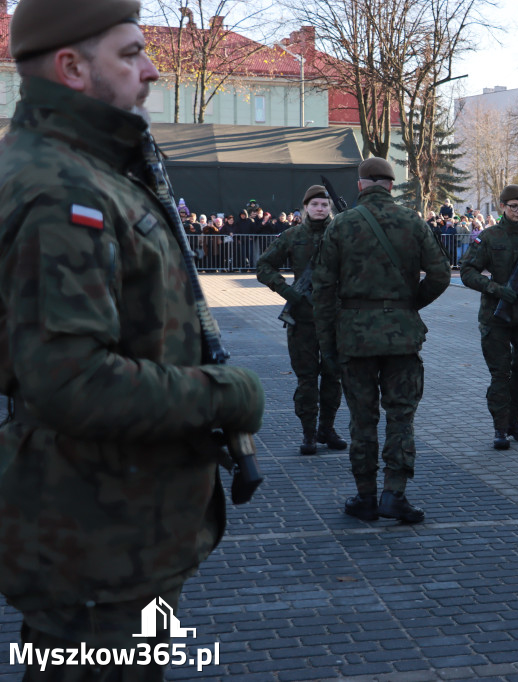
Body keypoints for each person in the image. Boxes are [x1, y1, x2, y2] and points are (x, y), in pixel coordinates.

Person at [0, 0, 265, 677]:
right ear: (72, 67)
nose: (150, 70)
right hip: (96, 547)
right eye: (130, 53)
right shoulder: (63, 190)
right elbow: (72, 379)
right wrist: (220, 394)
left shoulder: (87, 170)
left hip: (113, 536)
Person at [313, 157, 450, 524]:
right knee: (401, 417)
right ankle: (395, 494)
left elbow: (323, 291)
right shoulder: (413, 222)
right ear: (391, 184)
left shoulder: (340, 225)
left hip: (354, 337)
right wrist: (407, 306)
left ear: (360, 185)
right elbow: (440, 275)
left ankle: (365, 497)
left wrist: (327, 344)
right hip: (402, 339)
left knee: (362, 420)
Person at [257, 185, 347, 455]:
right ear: (305, 207)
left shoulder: (342, 235)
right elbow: (264, 266)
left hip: (335, 318)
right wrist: (286, 291)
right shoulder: (292, 235)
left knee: (334, 378)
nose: (320, 208)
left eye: (324, 204)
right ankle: (308, 433)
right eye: (315, 204)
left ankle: (326, 429)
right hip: (303, 319)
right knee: (307, 380)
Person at [460, 184, 518, 449]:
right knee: (500, 374)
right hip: (495, 316)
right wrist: (496, 289)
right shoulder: (490, 237)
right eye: (513, 206)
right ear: (502, 206)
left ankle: (515, 422)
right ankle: (500, 428)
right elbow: (467, 271)